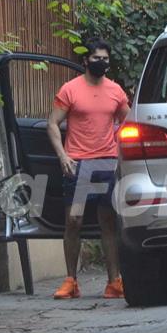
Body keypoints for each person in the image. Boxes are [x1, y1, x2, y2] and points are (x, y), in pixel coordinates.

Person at [47, 38, 130, 299]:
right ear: (85, 61)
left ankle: (114, 282)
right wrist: (62, 156)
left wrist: (121, 155)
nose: (101, 63)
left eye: (105, 59)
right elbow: (52, 124)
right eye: (96, 58)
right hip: (78, 162)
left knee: (108, 222)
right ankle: (71, 281)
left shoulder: (116, 91)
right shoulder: (70, 90)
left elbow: (129, 121)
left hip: (107, 162)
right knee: (74, 221)